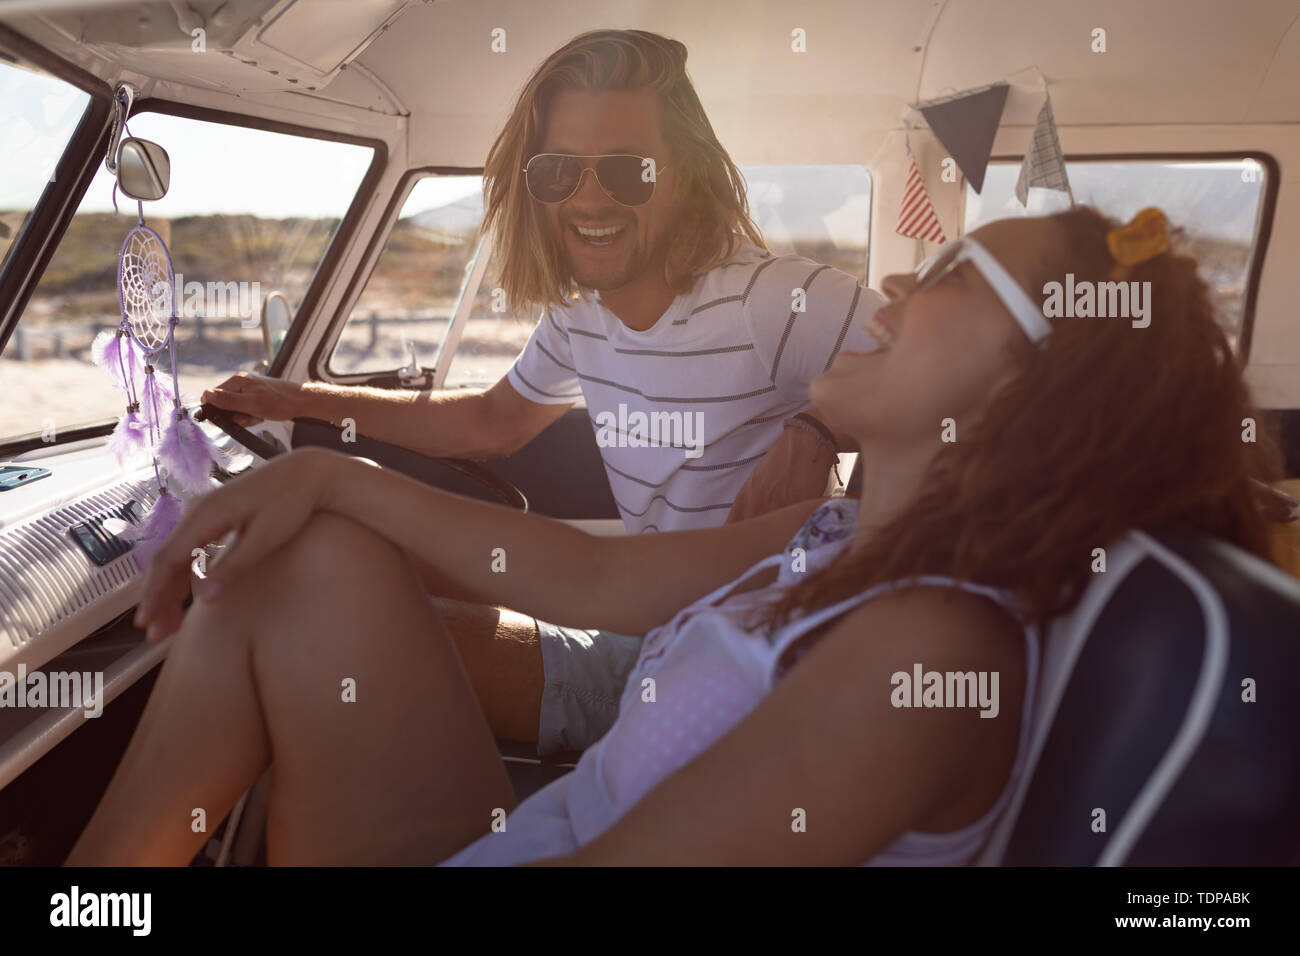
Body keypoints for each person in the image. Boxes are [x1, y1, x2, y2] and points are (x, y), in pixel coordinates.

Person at [67, 206, 1282, 865]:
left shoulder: (924, 649)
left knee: (292, 573)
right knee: (303, 560)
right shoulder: (839, 528)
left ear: (1031, 382)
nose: (901, 286)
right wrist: (327, 475)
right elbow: (592, 574)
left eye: (955, 269)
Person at [200, 29, 884, 758]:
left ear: (681, 175)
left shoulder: (774, 298)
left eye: (627, 170)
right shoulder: (579, 312)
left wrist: (816, 427)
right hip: (642, 628)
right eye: (560, 171)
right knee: (348, 564)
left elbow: (987, 373)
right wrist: (295, 400)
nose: (589, 197)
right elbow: (492, 423)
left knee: (325, 634)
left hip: (722, 662)